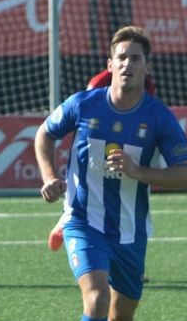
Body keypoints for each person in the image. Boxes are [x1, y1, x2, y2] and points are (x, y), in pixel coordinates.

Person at [35, 27, 187, 321]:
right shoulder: (83, 104)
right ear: (110, 65)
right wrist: (48, 175)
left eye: (135, 58)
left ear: (146, 66)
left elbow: (186, 175)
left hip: (130, 232)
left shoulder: (158, 117)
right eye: (120, 57)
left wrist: (140, 171)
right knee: (96, 299)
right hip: (82, 223)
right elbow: (44, 134)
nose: (127, 64)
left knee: (122, 318)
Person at [47, 68, 158, 253]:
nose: (130, 63)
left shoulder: (148, 84)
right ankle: (67, 220)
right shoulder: (99, 83)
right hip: (103, 142)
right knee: (96, 189)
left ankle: (133, 267)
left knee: (133, 202)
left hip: (132, 142)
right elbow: (90, 111)